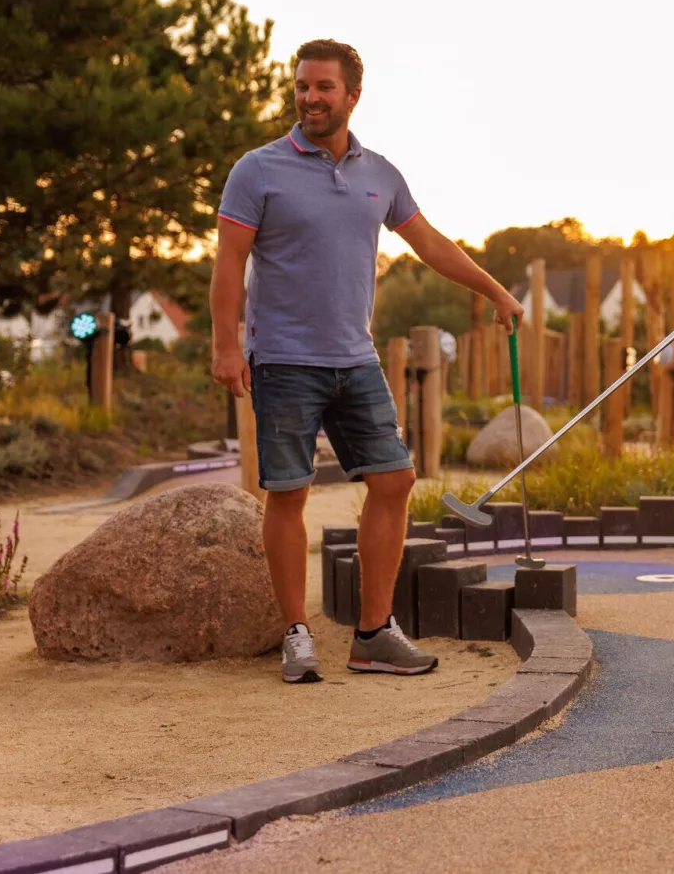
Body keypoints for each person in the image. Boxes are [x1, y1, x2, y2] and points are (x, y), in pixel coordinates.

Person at [211, 39, 520, 684]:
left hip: (356, 358)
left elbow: (429, 242)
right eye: (302, 85)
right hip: (283, 359)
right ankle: (297, 634)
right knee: (288, 493)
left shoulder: (379, 173)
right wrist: (224, 344)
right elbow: (229, 264)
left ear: (353, 95)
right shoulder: (257, 170)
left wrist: (493, 288)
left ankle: (373, 634)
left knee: (395, 482)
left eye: (323, 87)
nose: (309, 97)